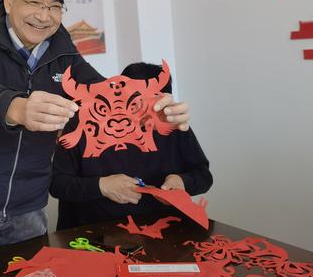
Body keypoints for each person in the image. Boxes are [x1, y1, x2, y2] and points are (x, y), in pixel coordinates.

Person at [0, 0, 191, 262]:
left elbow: (100, 91)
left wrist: (150, 109)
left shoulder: (61, 49)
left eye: (55, 6)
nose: (44, 16)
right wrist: (16, 107)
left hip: (29, 203)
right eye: (34, 1)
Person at [50, 62, 213, 230]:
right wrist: (101, 186)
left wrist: (182, 182)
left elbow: (203, 176)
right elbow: (56, 183)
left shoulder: (174, 124)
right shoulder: (83, 125)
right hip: (95, 230)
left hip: (164, 227)